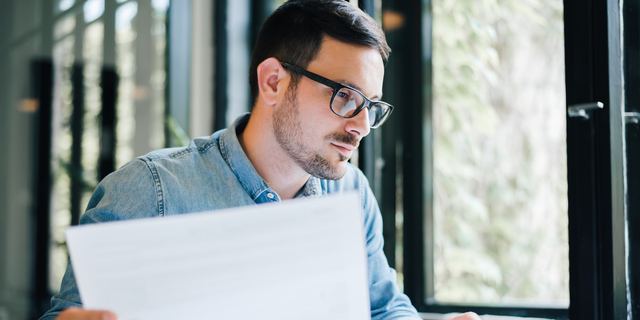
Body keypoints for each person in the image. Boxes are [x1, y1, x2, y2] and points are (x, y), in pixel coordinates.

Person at [41, 1, 479, 319]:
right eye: (345, 96)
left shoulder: (351, 193)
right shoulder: (152, 191)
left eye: (372, 105)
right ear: (273, 81)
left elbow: (383, 309)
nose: (362, 125)